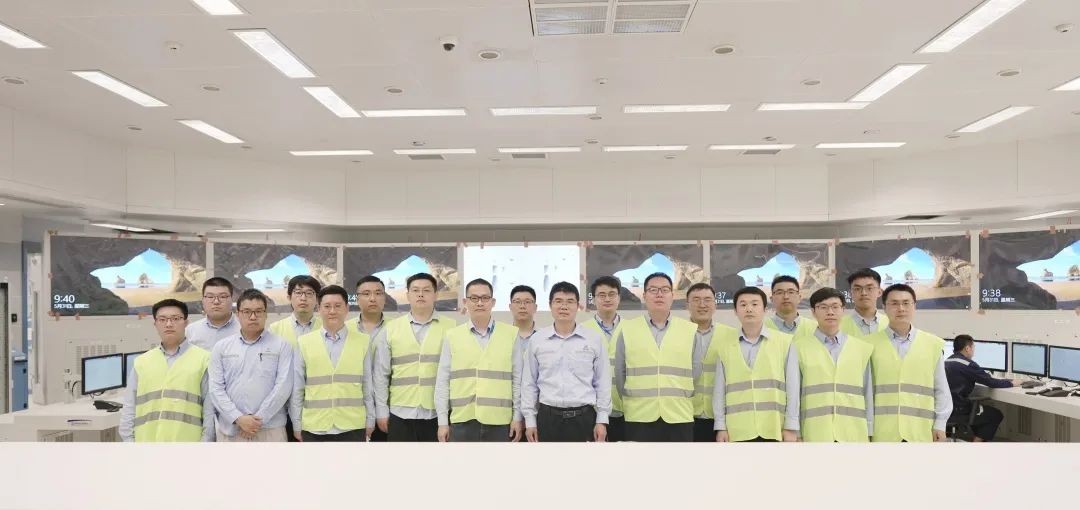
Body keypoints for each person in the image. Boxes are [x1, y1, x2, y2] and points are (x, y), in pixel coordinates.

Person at [613, 272, 699, 442]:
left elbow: (696, 371)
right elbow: (620, 372)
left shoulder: (689, 330)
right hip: (639, 415)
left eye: (665, 290)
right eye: (653, 290)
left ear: (672, 295)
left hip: (679, 415)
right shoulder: (628, 329)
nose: (659, 294)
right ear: (644, 296)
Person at [435, 278, 523, 442]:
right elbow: (443, 381)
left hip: (500, 421)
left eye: (485, 298)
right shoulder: (452, 336)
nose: (480, 303)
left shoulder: (511, 334)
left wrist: (517, 417)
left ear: (493, 302)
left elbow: (517, 380)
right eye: (474, 298)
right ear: (465, 302)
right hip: (462, 420)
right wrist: (442, 422)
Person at [522, 282, 611, 442]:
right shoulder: (537, 340)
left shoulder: (594, 339)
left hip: (584, 418)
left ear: (578, 306)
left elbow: (602, 382)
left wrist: (602, 420)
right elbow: (529, 383)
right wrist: (529, 420)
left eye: (570, 301)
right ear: (550, 305)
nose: (564, 306)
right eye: (558, 301)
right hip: (547, 419)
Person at [373, 273, 457, 441]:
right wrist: (381, 410)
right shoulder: (391, 329)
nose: (420, 294)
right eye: (415, 290)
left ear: (436, 295)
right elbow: (381, 374)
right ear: (408, 295)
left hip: (438, 414)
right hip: (399, 412)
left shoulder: (452, 328)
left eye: (426, 290)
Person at [783, 288, 874, 442]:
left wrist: (870, 430)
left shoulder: (861, 348)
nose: (830, 312)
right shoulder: (798, 347)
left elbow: (867, 392)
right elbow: (794, 393)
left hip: (854, 432)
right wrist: (794, 430)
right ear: (813, 312)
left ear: (843, 310)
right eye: (823, 307)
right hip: (815, 432)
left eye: (835, 307)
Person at [866, 284, 952, 442]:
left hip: (921, 430)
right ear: (884, 307)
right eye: (894, 303)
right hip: (883, 431)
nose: (901, 308)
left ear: (914, 306)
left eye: (906, 303)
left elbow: (941, 389)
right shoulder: (869, 345)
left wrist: (940, 424)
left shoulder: (932, 344)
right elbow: (865, 392)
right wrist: (867, 428)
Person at [120, 299, 214, 442]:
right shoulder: (142, 362)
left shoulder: (204, 359)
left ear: (186, 323)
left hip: (188, 446)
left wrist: (204, 444)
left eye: (175, 319)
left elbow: (210, 411)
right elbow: (129, 407)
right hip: (146, 445)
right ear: (155, 324)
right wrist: (129, 443)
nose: (169, 324)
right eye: (162, 319)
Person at [290, 285, 375, 442]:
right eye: (327, 306)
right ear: (318, 309)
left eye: (338, 306)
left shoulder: (363, 341)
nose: (332, 311)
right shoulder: (304, 342)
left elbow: (367, 385)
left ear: (347, 308)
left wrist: (370, 419)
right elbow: (298, 388)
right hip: (315, 426)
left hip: (353, 425)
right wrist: (296, 423)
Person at [209, 289, 293, 442]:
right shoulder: (222, 347)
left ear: (266, 314)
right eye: (247, 311)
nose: (253, 317)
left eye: (258, 311)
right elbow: (216, 389)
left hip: (270, 429)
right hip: (232, 429)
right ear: (238, 314)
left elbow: (283, 387)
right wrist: (238, 418)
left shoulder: (281, 346)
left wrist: (257, 421)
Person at [712, 287, 792, 442]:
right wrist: (721, 426)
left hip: (775, 427)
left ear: (765, 309)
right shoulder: (724, 346)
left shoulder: (784, 342)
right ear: (735, 311)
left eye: (755, 304)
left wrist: (791, 426)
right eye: (743, 305)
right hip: (737, 430)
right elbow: (719, 391)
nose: (749, 309)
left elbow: (793, 389)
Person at [945, 335, 1020, 442]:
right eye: (973, 348)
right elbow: (991, 382)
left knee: (979, 411)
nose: (973, 351)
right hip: (959, 410)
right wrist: (1011, 383)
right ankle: (976, 447)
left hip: (946, 409)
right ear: (967, 348)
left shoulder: (946, 361)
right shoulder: (968, 364)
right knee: (995, 415)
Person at [686, 283, 737, 442]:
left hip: (720, 418)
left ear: (715, 304)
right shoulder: (678, 334)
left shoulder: (731, 335)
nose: (702, 305)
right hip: (685, 414)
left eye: (707, 300)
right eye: (696, 300)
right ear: (687, 305)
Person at [348, 275, 390, 441]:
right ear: (357, 298)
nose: (373, 298)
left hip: (389, 409)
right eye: (366, 294)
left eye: (378, 293)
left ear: (385, 297)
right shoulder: (344, 329)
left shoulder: (398, 328)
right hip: (354, 409)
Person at [583, 276, 625, 441]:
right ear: (593, 299)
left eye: (612, 294)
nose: (607, 299)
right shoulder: (582, 330)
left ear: (619, 298)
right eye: (601, 295)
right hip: (592, 410)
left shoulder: (632, 329)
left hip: (625, 409)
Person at [186, 277, 240, 352]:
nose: (216, 302)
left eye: (222, 297)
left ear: (232, 299)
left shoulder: (244, 328)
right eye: (210, 297)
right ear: (203, 300)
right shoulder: (190, 331)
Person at [267, 275, 322, 346]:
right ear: (289, 297)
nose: (303, 298)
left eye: (309, 293)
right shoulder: (274, 329)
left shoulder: (327, 328)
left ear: (317, 299)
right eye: (298, 293)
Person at [840, 268, 890, 337]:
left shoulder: (892, 324)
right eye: (857, 289)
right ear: (850, 293)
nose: (864, 293)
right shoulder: (837, 326)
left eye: (869, 288)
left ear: (879, 292)